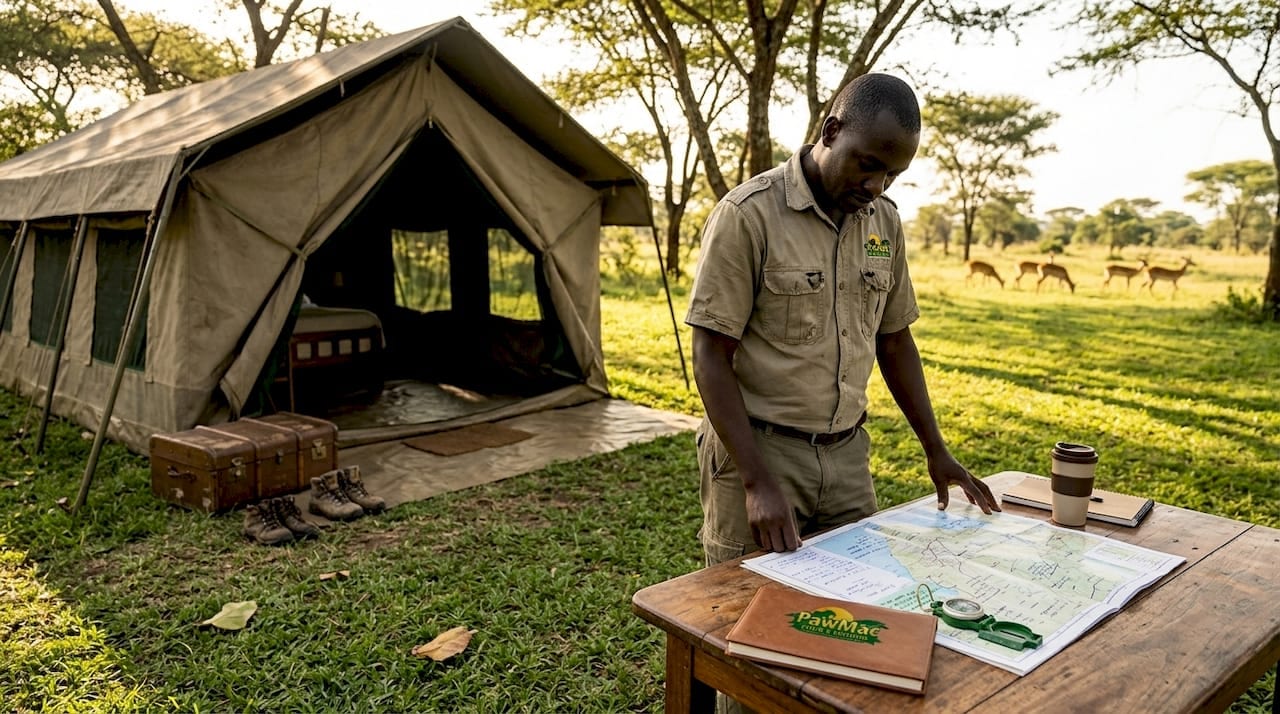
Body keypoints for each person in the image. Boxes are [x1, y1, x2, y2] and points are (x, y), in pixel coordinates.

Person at [687, 73, 1000, 571]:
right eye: (868, 165)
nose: (875, 186)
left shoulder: (884, 221)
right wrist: (756, 481)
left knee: (857, 606)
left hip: (847, 455)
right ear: (831, 132)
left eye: (892, 175)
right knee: (746, 617)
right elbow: (709, 355)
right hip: (761, 450)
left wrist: (936, 449)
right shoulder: (748, 216)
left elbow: (895, 341)